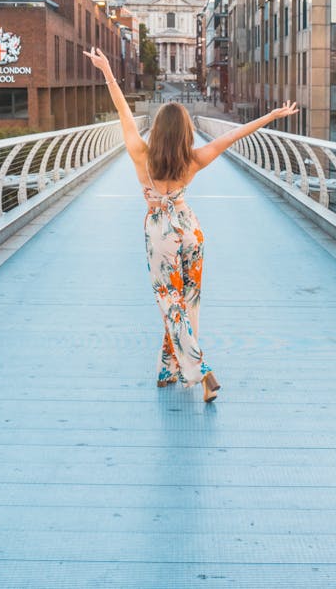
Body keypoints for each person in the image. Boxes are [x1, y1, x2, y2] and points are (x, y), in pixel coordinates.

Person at [83, 46, 298, 403]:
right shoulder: (194, 159)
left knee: (170, 302)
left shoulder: (140, 154)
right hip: (190, 228)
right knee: (190, 301)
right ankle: (168, 369)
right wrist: (270, 117)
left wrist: (107, 71)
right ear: (185, 132)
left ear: (157, 130)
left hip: (159, 231)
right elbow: (233, 136)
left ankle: (201, 371)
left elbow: (122, 109)